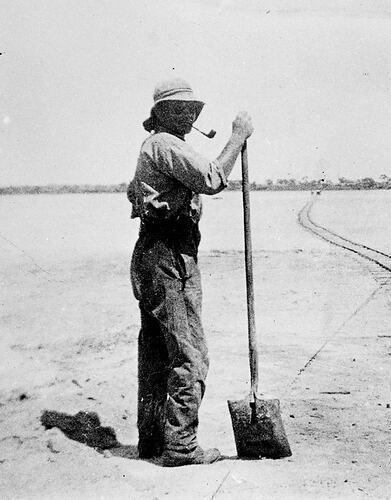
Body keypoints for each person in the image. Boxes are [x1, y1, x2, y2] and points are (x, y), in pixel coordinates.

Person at [127, 77, 253, 467]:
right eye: (180, 108)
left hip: (154, 254)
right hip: (168, 257)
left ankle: (152, 440)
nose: (189, 114)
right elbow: (212, 179)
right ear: (162, 113)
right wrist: (238, 137)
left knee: (156, 352)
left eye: (193, 109)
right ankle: (180, 446)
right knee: (188, 354)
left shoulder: (160, 146)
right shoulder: (164, 144)